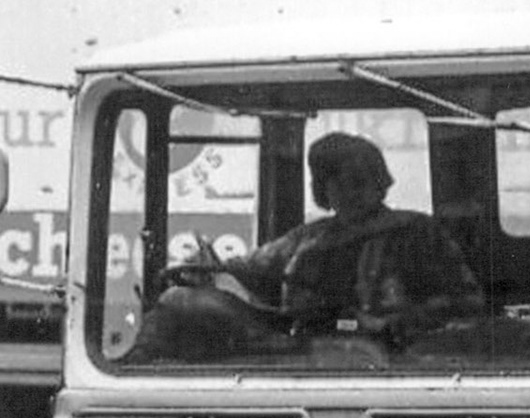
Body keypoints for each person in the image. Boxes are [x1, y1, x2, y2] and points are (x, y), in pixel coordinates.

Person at [127, 132, 483, 361]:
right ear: (323, 191)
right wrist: (210, 266)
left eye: (361, 181)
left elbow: (468, 301)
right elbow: (253, 267)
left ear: (380, 183)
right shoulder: (309, 240)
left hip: (391, 359)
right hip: (299, 356)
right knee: (179, 302)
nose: (350, 192)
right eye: (336, 184)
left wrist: (388, 322)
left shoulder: (418, 233)